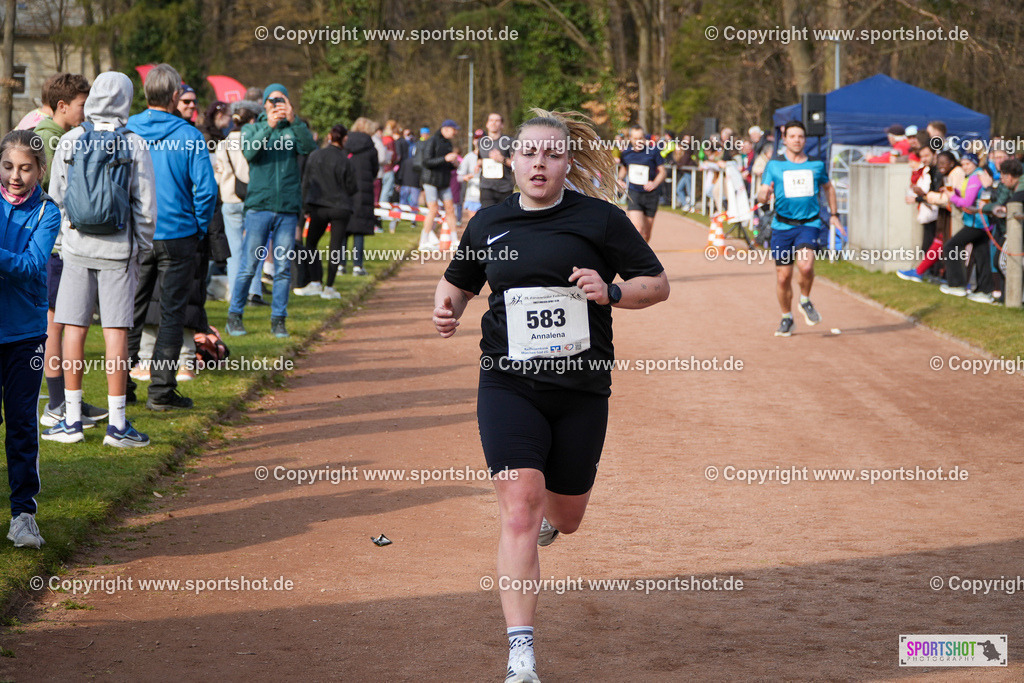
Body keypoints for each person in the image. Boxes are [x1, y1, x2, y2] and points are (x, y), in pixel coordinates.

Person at [432, 108, 669, 683]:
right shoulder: (489, 222)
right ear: (510, 160)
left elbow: (657, 284)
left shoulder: (601, 221)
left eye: (553, 154)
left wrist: (610, 290)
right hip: (508, 381)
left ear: (567, 162)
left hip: (581, 387)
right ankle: (521, 654)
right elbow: (459, 281)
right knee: (519, 506)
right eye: (529, 153)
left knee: (567, 513)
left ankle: (553, 522)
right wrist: (446, 309)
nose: (540, 163)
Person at [43, 71, 157, 446]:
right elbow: (145, 207)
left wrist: (65, 240)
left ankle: (71, 420)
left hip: (76, 248)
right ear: (126, 100)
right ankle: (118, 424)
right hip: (119, 250)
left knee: (73, 330)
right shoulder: (134, 144)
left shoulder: (71, 141)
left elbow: (56, 199)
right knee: (116, 334)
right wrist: (140, 248)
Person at [126, 64, 217, 410]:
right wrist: (198, 224)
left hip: (137, 231)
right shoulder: (189, 136)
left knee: (130, 311)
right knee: (171, 312)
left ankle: (123, 384)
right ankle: (162, 390)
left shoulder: (129, 130)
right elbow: (206, 191)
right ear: (176, 96)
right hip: (178, 232)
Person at [0, 130, 62, 547]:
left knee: (21, 425)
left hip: (25, 335)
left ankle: (23, 514)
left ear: (40, 170)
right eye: (7, 167)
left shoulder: (48, 213)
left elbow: (32, 264)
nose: (15, 176)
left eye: (25, 168)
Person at [33, 73, 105, 429]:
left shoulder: (55, 136)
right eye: (81, 105)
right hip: (53, 249)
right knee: (55, 327)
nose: (86, 112)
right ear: (63, 106)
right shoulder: (49, 140)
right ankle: (57, 404)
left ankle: (63, 400)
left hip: (58, 248)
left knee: (61, 326)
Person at [227, 83, 315, 338]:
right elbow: (250, 152)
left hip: (287, 209)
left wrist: (294, 120)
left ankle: (279, 319)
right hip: (259, 207)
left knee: (283, 267)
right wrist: (270, 126)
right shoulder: (253, 128)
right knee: (249, 265)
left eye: (282, 100)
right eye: (272, 101)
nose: (277, 105)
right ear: (264, 104)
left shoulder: (295, 129)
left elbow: (309, 149)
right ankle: (235, 316)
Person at [757, 120, 844, 337]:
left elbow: (828, 187)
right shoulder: (774, 164)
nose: (797, 140)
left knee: (805, 267)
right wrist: (763, 194)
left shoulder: (816, 164)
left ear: (805, 140)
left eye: (801, 137)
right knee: (783, 277)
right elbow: (763, 189)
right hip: (782, 225)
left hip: (809, 224)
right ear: (785, 139)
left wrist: (834, 215)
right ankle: (787, 317)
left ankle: (804, 300)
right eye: (793, 136)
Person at [294, 124, 357, 296]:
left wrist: (305, 206)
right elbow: (352, 187)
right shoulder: (345, 160)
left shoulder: (315, 155)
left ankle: (315, 281)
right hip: (340, 207)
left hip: (319, 205)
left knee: (311, 244)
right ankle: (329, 286)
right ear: (344, 139)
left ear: (329, 136)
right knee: (335, 246)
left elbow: (306, 182)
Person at [215, 100, 263, 303]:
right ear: (251, 120)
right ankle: (254, 291)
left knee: (234, 251)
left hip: (229, 198)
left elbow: (218, 174)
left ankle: (236, 294)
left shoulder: (222, 144)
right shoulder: (254, 141)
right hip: (252, 198)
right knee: (254, 248)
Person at [941, 153, 993, 299]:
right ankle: (984, 291)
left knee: (951, 246)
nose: (964, 167)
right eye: (963, 164)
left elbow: (967, 202)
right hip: (980, 222)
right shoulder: (973, 176)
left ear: (975, 164)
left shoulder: (975, 177)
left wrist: (952, 197)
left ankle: (957, 285)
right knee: (981, 254)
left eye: (968, 164)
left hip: (977, 222)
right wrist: (955, 193)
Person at [343, 117, 381, 277]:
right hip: (363, 189)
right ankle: (358, 266)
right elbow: (375, 170)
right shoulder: (371, 147)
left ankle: (340, 264)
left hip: (345, 188)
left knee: (343, 229)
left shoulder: (345, 143)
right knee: (359, 230)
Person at [617, 125, 666, 242]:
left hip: (651, 195)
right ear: (630, 139)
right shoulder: (626, 153)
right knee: (637, 230)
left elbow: (663, 172)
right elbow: (624, 168)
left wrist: (654, 183)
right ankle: (634, 258)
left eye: (640, 138)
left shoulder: (653, 152)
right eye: (634, 138)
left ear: (644, 138)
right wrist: (620, 179)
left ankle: (642, 256)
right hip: (634, 194)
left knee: (646, 235)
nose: (637, 141)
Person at [419, 119, 460, 250]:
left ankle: (454, 240)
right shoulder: (432, 141)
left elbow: (445, 165)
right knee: (433, 209)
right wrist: (445, 159)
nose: (456, 133)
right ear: (446, 129)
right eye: (454, 130)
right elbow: (426, 162)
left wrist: (454, 164)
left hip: (443, 181)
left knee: (450, 208)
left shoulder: (448, 143)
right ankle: (423, 241)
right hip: (430, 181)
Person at [478, 112, 515, 208]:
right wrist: (478, 163)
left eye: (497, 121)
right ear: (487, 124)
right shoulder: (481, 142)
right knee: (487, 218)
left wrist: (502, 159)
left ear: (502, 125)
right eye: (491, 120)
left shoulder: (509, 141)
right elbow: (479, 160)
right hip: (486, 187)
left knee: (504, 219)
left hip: (505, 188)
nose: (493, 123)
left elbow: (516, 164)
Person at [458, 131, 483, 223]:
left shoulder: (490, 156)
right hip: (473, 195)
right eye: (477, 138)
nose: (479, 140)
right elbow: (459, 177)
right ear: (473, 141)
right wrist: (467, 177)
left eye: (482, 138)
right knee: (474, 224)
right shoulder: (469, 157)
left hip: (488, 195)